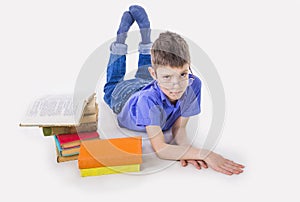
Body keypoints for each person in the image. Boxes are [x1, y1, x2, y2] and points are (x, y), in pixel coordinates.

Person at [103, 5, 244, 175]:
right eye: (168, 77)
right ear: (155, 74)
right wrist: (205, 154)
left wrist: (185, 150)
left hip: (150, 85)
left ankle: (146, 37)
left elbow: (180, 129)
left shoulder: (192, 85)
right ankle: (120, 41)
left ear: (188, 67)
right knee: (111, 87)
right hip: (126, 97)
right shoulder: (147, 100)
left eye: (183, 74)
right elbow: (161, 149)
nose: (176, 86)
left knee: (145, 77)